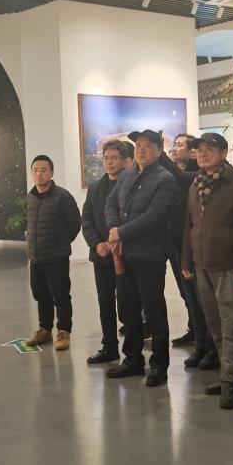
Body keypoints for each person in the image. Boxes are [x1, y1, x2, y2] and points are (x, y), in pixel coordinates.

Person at [181, 133, 233, 408]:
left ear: (224, 153)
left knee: (231, 325)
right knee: (215, 325)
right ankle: (231, 374)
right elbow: (189, 226)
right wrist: (186, 260)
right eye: (199, 149)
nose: (203, 154)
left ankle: (230, 382)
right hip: (202, 264)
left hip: (229, 266)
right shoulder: (196, 184)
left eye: (209, 149)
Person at [105, 129, 178, 386]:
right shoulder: (126, 175)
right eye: (138, 146)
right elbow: (110, 203)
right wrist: (114, 229)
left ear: (159, 150)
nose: (141, 150)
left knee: (154, 312)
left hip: (149, 255)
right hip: (124, 254)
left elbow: (154, 217)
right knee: (129, 311)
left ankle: (159, 365)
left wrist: (120, 233)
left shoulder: (165, 179)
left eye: (147, 146)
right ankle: (133, 359)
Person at [24, 155, 81, 351]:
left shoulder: (63, 197)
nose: (38, 174)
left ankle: (64, 331)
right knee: (41, 294)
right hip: (35, 257)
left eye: (43, 170)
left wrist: (60, 243)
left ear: (51, 173)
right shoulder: (30, 197)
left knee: (60, 295)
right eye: (35, 170)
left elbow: (75, 224)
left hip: (56, 257)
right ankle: (45, 329)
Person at [82, 141, 131, 364]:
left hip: (126, 254)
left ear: (124, 160)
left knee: (128, 304)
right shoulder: (95, 188)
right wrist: (96, 244)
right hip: (101, 256)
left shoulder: (131, 184)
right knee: (105, 304)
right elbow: (87, 220)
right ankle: (109, 346)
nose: (109, 162)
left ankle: (132, 351)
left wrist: (120, 240)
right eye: (106, 158)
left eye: (113, 158)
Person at [166, 134, 208, 362]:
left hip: (194, 244)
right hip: (176, 242)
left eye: (180, 145)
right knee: (187, 294)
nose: (174, 148)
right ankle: (196, 332)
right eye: (174, 144)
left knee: (200, 296)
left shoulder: (197, 174)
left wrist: (158, 154)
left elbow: (181, 179)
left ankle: (207, 343)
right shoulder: (174, 174)